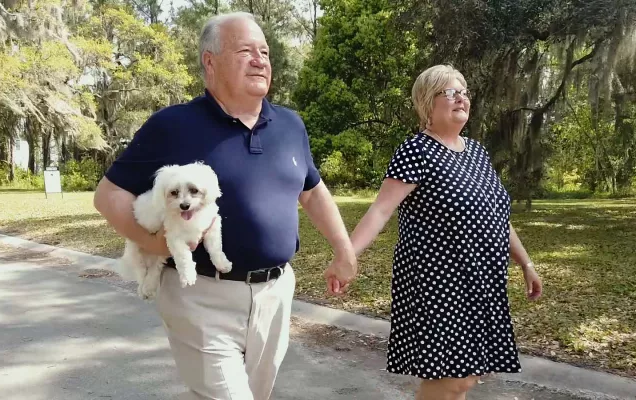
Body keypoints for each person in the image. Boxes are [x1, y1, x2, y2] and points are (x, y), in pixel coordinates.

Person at [93, 12, 357, 400]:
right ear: (210, 62)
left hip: (276, 294)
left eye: (264, 51)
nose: (260, 59)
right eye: (245, 50)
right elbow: (108, 195)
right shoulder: (172, 125)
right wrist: (153, 245)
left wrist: (344, 249)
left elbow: (313, 191)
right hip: (200, 295)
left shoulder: (290, 125)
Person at [349, 64, 543, 400]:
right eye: (450, 92)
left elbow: (496, 215)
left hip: (481, 282)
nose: (461, 98)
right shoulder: (416, 151)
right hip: (439, 286)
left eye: (464, 92)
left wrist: (525, 263)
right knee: (452, 380)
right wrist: (347, 254)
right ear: (427, 102)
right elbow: (381, 208)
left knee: (465, 380)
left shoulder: (477, 153)